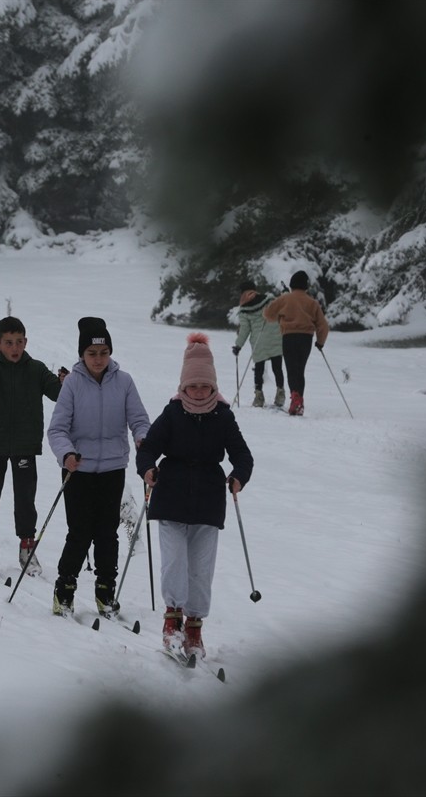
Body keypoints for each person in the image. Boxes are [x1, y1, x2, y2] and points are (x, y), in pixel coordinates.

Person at [136, 332, 253, 659]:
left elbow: (243, 457)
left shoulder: (224, 416)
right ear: (183, 387)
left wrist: (238, 477)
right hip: (170, 496)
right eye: (193, 386)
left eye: (205, 386)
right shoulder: (172, 413)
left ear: (214, 387)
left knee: (201, 569)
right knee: (174, 562)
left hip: (208, 501)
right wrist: (148, 470)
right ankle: (171, 620)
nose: (199, 392)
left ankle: (194, 628)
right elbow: (148, 451)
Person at [46, 317, 150, 617]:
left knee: (107, 533)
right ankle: (64, 590)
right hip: (77, 469)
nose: (98, 359)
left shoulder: (125, 381)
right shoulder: (73, 384)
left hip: (113, 468)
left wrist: (143, 439)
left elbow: (139, 420)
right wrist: (66, 454)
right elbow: (57, 429)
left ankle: (106, 591)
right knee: (79, 532)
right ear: (82, 355)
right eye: (92, 354)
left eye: (104, 353)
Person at [0, 317, 66, 575]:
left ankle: (27, 547)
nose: (15, 348)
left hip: (24, 444)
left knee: (25, 498)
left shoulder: (35, 369)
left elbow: (58, 393)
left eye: (19, 342)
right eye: (9, 343)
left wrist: (66, 383)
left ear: (26, 342)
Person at [263, 270, 329, 416]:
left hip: (289, 337)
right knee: (300, 370)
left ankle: (296, 400)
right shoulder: (312, 303)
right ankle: (299, 401)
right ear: (306, 286)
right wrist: (320, 342)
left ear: (292, 285)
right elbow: (323, 325)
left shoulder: (285, 299)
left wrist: (279, 316)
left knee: (291, 369)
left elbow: (268, 314)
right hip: (306, 339)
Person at [233, 280, 286, 408]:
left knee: (259, 368)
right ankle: (280, 393)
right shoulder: (269, 300)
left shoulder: (244, 309)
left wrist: (238, 345)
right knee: (277, 367)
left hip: (259, 340)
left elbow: (245, 330)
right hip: (275, 337)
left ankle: (259, 396)